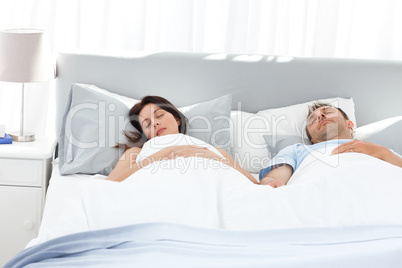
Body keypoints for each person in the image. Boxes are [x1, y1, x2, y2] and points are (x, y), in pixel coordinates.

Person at [107, 96, 258, 184]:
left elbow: (252, 183)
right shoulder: (136, 152)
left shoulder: (213, 150)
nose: (155, 123)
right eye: (147, 124)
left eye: (159, 116)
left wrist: (209, 156)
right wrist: (164, 153)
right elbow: (111, 183)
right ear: (147, 135)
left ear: (177, 119)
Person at [259, 102, 402, 188]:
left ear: (350, 124)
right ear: (312, 140)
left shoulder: (378, 150)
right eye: (312, 120)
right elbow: (275, 178)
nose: (320, 117)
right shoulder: (298, 150)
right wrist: (270, 183)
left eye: (327, 112)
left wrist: (382, 152)